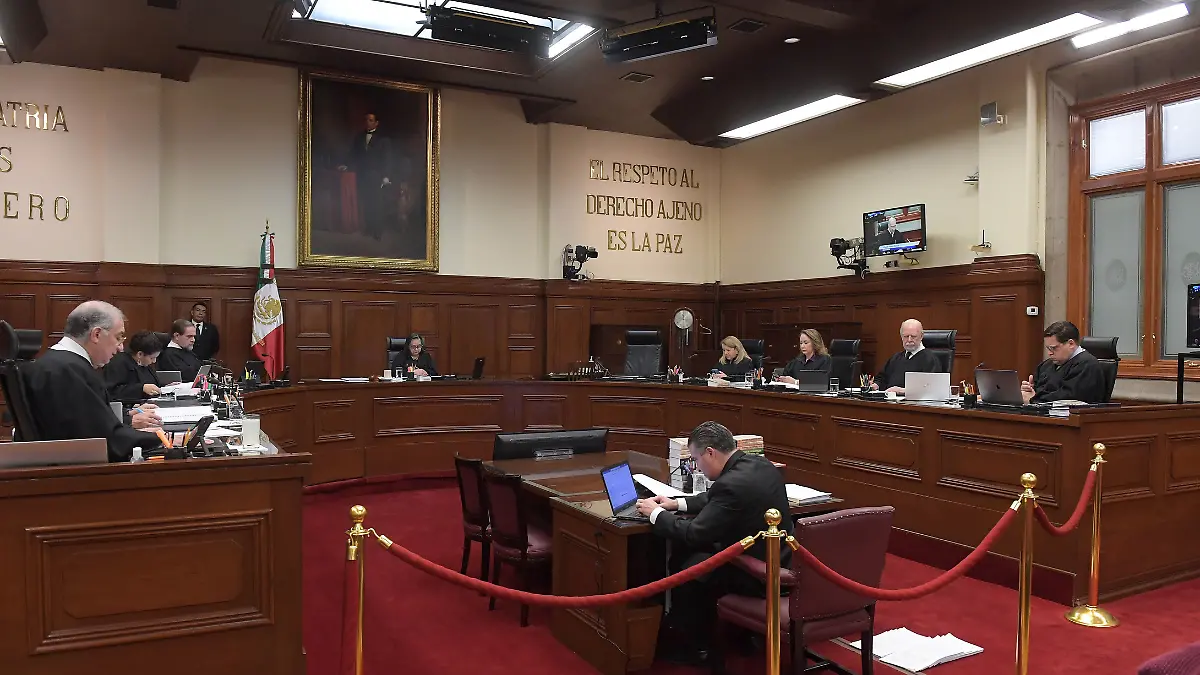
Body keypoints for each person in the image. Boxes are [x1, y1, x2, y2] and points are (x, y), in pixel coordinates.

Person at [635, 421, 792, 665]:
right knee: (694, 556)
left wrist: (655, 513)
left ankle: (698, 648)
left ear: (710, 452)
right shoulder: (758, 464)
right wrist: (676, 503)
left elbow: (694, 533)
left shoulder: (731, 484)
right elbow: (714, 497)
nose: (696, 466)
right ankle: (738, 635)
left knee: (689, 567)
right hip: (781, 560)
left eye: (696, 459)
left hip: (757, 575)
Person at [22, 301, 163, 462]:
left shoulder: (58, 363)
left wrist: (125, 417)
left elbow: (88, 421)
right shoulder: (70, 371)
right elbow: (103, 440)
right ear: (96, 334)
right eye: (118, 337)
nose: (121, 348)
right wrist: (161, 438)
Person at [338, 112, 395, 241]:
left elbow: (387, 159)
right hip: (362, 174)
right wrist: (346, 165)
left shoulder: (383, 140)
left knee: (377, 203)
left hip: (376, 175)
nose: (367, 122)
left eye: (370, 120)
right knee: (366, 201)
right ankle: (369, 228)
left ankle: (377, 231)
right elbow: (353, 154)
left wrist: (386, 176)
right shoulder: (359, 137)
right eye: (366, 120)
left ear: (376, 123)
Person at [1021, 321, 1107, 404]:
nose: (1049, 353)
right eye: (1048, 348)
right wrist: (1028, 390)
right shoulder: (1046, 365)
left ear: (1071, 344)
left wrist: (1034, 399)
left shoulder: (1087, 365)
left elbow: (1069, 397)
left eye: (1054, 348)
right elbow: (1036, 391)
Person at [872, 318, 942, 393]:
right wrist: (876, 385)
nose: (909, 340)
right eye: (906, 336)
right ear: (901, 337)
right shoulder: (896, 358)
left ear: (921, 336)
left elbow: (931, 388)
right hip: (889, 398)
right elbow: (882, 378)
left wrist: (903, 391)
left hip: (912, 400)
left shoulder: (930, 359)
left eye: (913, 336)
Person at [104, 331, 164, 403]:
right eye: (152, 358)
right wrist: (141, 388)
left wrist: (165, 386)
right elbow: (112, 392)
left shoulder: (144, 363)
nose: (154, 361)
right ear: (140, 354)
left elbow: (151, 383)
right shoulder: (118, 364)